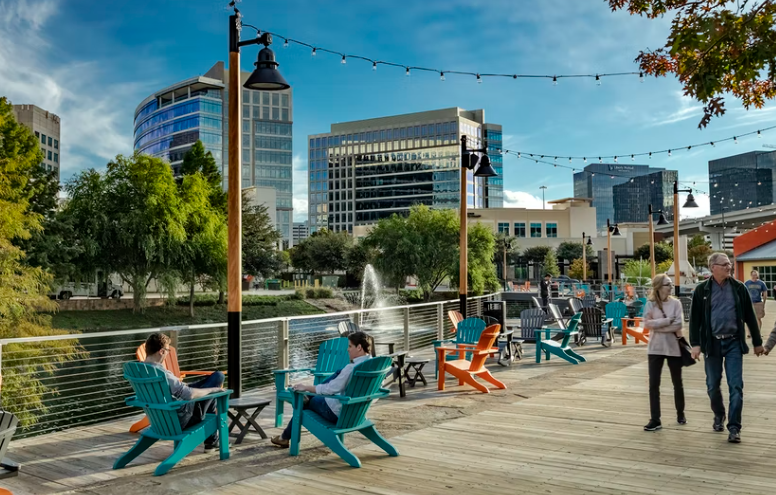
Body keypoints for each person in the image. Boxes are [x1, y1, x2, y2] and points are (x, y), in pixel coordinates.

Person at [689, 253, 763, 444]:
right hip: (711, 344)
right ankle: (719, 414)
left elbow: (750, 317)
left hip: (733, 344)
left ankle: (734, 428)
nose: (728, 267)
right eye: (724, 265)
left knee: (736, 386)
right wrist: (695, 344)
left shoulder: (739, 288)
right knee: (712, 386)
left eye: (729, 264)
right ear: (713, 267)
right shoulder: (701, 290)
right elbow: (694, 319)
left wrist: (757, 342)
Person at [271, 332, 372, 448]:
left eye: (350, 346)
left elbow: (331, 389)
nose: (347, 350)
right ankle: (285, 435)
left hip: (335, 413)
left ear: (359, 347)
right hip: (357, 413)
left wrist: (306, 387)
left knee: (301, 404)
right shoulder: (376, 365)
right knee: (339, 372)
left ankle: (284, 438)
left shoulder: (352, 368)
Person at [142, 333, 225, 450]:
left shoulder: (139, 370)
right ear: (161, 351)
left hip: (159, 420)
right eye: (167, 350)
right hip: (182, 418)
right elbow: (189, 394)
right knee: (218, 377)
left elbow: (176, 390)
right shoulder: (161, 374)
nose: (167, 353)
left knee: (208, 384)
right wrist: (213, 389)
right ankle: (212, 441)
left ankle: (212, 441)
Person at [642, 274, 685, 431]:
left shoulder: (676, 303)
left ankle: (680, 412)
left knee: (677, 382)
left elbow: (678, 324)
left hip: (673, 347)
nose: (671, 287)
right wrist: (666, 321)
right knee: (654, 384)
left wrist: (658, 325)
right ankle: (655, 419)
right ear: (659, 286)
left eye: (671, 284)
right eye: (668, 284)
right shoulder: (650, 304)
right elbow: (646, 324)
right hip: (655, 348)